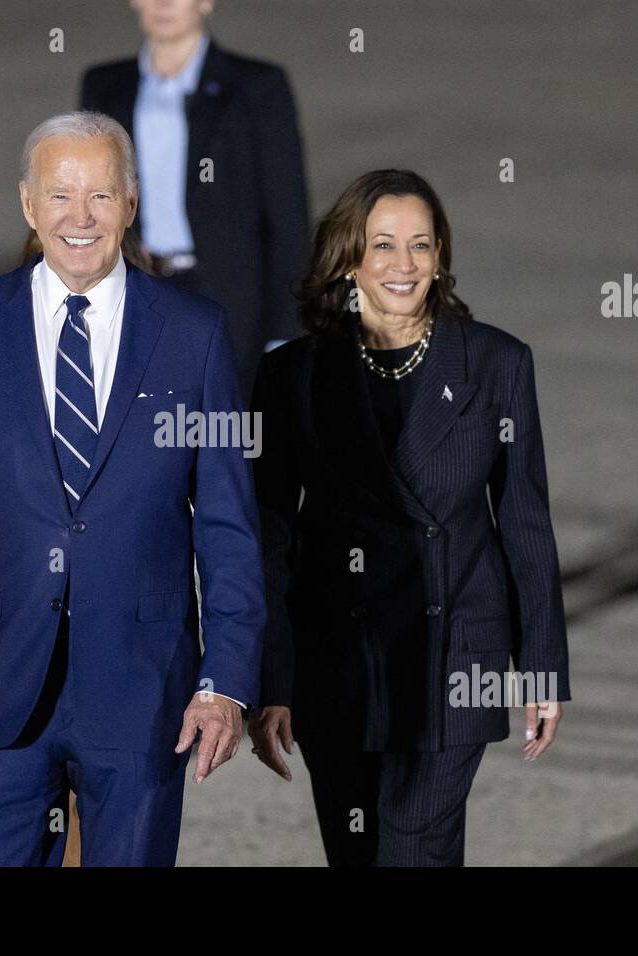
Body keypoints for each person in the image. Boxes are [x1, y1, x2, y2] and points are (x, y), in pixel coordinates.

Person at [0, 110, 265, 865]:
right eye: (60, 196)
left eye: (100, 196)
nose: (79, 218)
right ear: (29, 206)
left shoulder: (197, 336)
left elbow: (229, 528)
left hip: (143, 692)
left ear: (131, 203)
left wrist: (226, 680)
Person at [247, 170, 570, 866]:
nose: (403, 264)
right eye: (384, 245)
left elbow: (525, 524)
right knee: (357, 849)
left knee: (410, 840)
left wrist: (541, 666)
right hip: (339, 662)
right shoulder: (294, 376)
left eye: (420, 245)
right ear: (348, 257)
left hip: (456, 652)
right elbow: (269, 536)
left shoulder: (496, 363)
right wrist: (271, 682)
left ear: (440, 254)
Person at [80, 0, 311, 391]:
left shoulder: (256, 86)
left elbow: (288, 216)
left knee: (225, 434)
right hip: (135, 287)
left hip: (229, 297)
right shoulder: (105, 86)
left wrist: (285, 331)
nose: (165, 4)